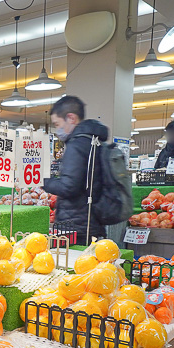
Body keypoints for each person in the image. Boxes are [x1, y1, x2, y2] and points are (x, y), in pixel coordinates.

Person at [42, 95, 110, 242]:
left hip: (75, 225)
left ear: (71, 118)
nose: (57, 130)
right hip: (92, 221)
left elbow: (69, 186)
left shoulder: (77, 144)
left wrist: (42, 181)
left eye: (58, 124)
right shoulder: (94, 141)